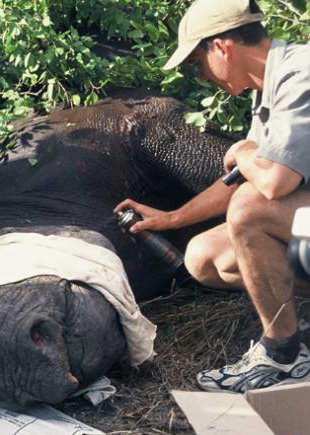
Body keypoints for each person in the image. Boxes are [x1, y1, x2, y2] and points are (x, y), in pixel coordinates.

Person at [115, 0, 310, 393]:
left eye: (196, 64)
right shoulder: (268, 88)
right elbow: (244, 177)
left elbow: (271, 184)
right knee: (204, 256)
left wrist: (242, 149)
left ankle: (283, 354)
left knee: (251, 209)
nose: (201, 77)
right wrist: (171, 219)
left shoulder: (301, 75)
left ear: (221, 47)